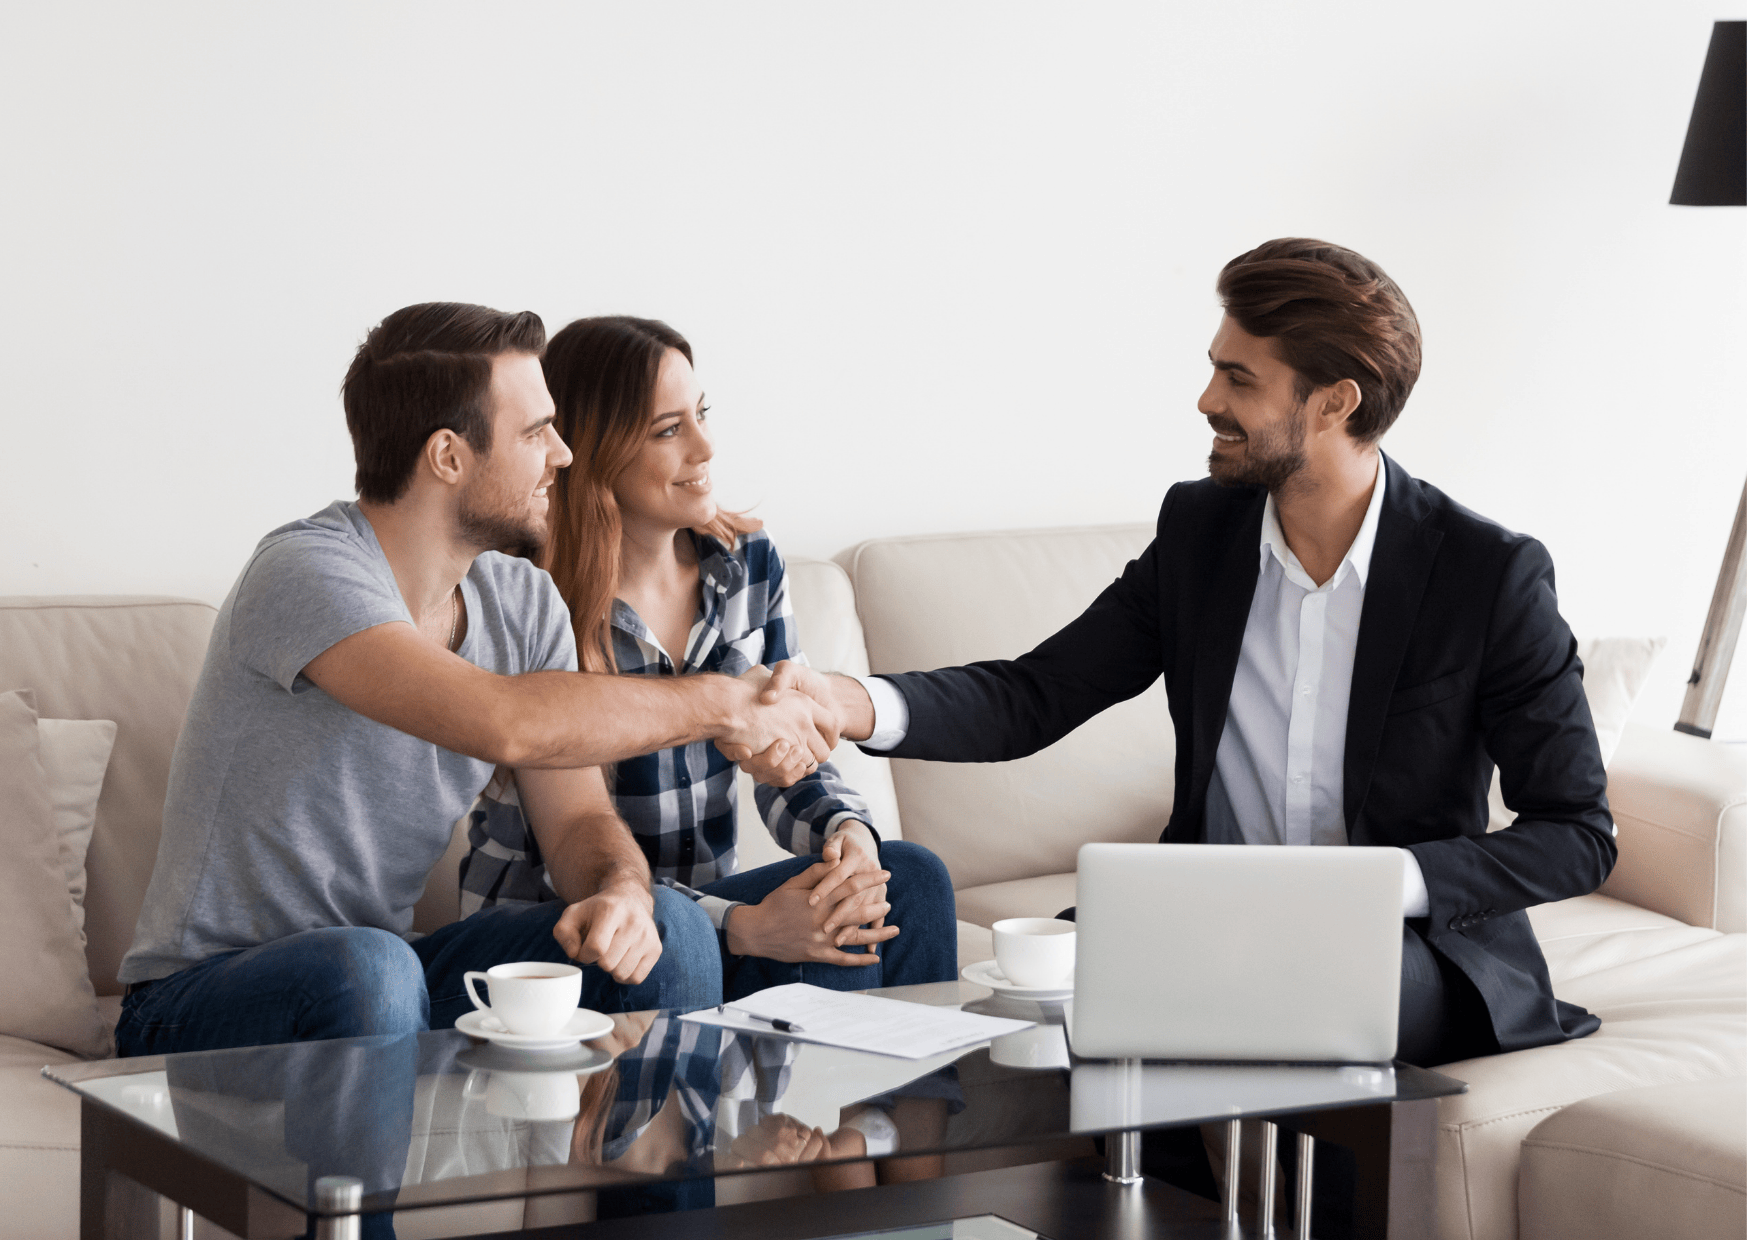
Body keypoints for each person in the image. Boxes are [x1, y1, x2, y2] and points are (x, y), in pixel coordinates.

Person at [730, 240, 1617, 1233]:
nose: (1205, 398)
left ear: (1335, 401)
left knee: (1228, 1007)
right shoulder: (1201, 532)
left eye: (1237, 376)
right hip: (1200, 927)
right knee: (964, 1037)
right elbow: (1035, 692)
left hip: (1401, 946)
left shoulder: (1485, 574)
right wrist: (846, 703)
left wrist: (1380, 885)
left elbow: (1576, 828)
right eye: (1213, 366)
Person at [117, 303, 844, 1060]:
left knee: (670, 926)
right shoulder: (307, 572)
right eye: (535, 434)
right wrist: (727, 704)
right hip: (198, 1000)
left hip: (386, 976)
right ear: (448, 457)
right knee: (368, 965)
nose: (562, 455)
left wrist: (621, 887)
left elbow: (575, 824)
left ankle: (649, 1177)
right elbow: (505, 721)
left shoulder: (520, 601)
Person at [458, 315, 957, 1003]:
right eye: (669, 429)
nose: (706, 446)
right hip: (569, 927)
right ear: (596, 451)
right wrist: (742, 925)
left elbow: (792, 762)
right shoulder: (526, 598)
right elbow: (566, 852)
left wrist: (847, 839)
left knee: (906, 882)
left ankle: (882, 1117)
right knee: (747, 929)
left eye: (702, 414)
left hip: (701, 909)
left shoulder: (747, 565)